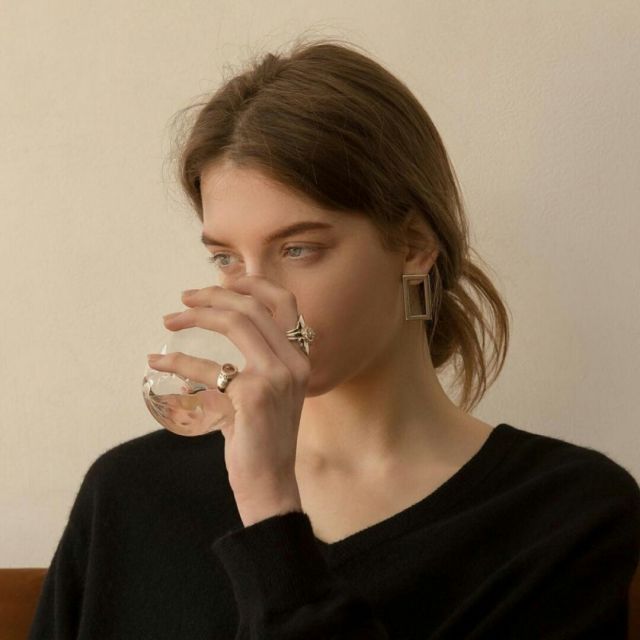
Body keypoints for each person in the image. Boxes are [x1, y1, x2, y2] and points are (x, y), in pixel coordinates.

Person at [29, 36, 640, 639]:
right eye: (226, 258)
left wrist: (270, 508)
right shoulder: (131, 490)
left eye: (298, 249)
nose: (254, 297)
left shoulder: (564, 514)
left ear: (414, 245)